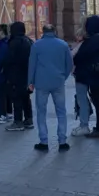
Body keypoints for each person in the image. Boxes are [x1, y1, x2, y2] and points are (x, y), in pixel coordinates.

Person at [28, 24, 73, 152]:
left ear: (43, 32)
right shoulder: (63, 44)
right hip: (58, 82)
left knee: (41, 112)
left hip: (41, 83)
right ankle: (62, 141)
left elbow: (32, 65)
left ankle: (43, 141)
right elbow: (69, 64)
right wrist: (63, 76)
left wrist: (30, 82)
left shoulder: (36, 45)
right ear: (54, 31)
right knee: (61, 111)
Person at [73, 15, 99, 138]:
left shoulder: (94, 40)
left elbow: (80, 56)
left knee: (98, 102)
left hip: (93, 75)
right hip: (98, 75)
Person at [3, 22, 34, 131]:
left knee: (16, 98)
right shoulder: (28, 41)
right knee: (26, 97)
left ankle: (18, 122)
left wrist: (6, 71)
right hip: (27, 74)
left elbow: (9, 59)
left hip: (15, 74)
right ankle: (29, 119)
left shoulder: (14, 42)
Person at [71, 26, 93, 135]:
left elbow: (72, 58)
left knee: (82, 99)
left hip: (81, 75)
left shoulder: (81, 46)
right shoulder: (88, 44)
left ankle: (84, 125)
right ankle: (84, 123)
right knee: (84, 99)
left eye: (77, 35)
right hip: (86, 75)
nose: (76, 37)